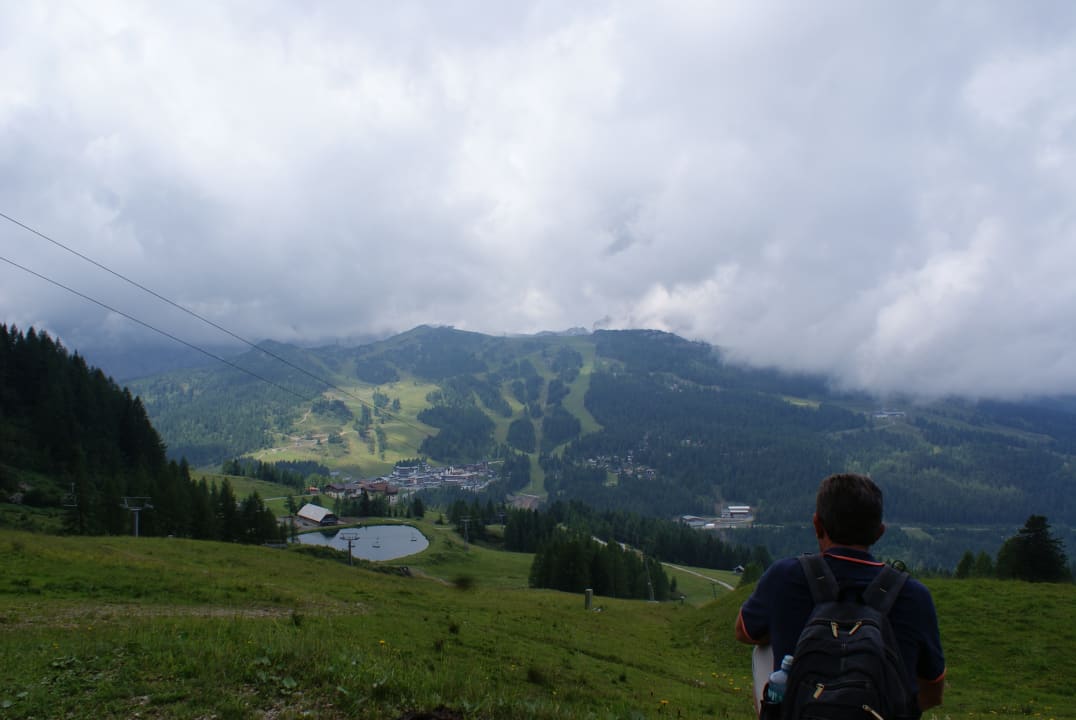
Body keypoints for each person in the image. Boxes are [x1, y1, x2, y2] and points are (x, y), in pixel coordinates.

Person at [735, 473, 945, 715]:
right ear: (879, 532)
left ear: (817, 524)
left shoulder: (785, 576)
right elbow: (933, 691)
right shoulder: (913, 595)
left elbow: (744, 632)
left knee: (762, 652)